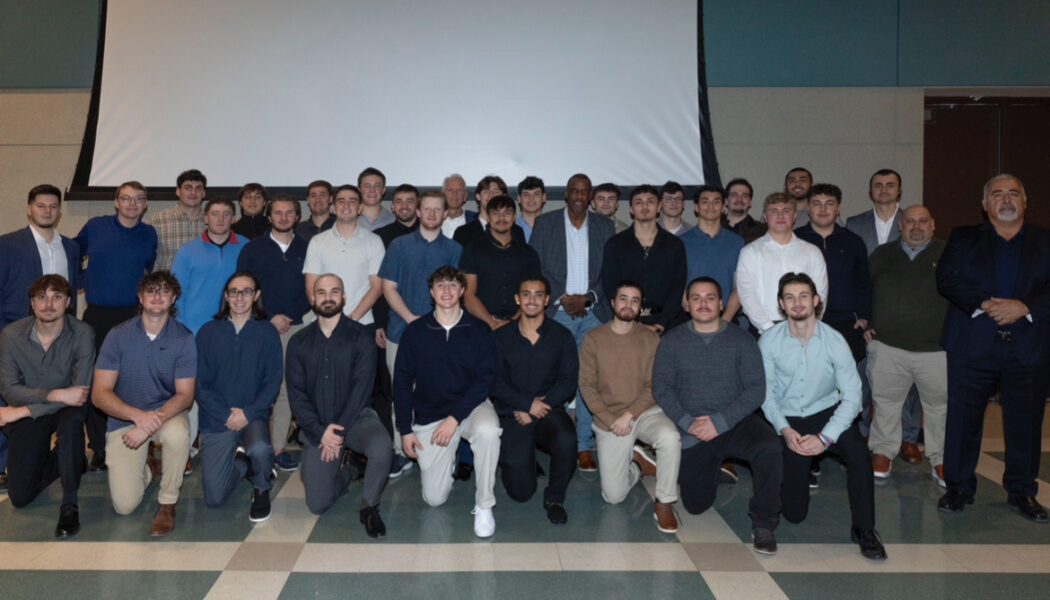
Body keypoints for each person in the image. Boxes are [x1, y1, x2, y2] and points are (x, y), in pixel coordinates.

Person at [936, 174, 1050, 523]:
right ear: (984, 205)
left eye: (1013, 193)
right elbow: (947, 279)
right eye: (997, 194)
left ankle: (1022, 491)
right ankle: (957, 487)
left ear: (1025, 202)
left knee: (1026, 422)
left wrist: (1024, 307)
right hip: (973, 345)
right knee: (962, 419)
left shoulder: (1045, 242)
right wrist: (986, 304)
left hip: (1027, 347)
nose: (1006, 199)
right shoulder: (963, 237)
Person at [759, 272, 886, 560]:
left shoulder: (835, 340)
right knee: (794, 514)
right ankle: (794, 482)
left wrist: (825, 438)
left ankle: (865, 530)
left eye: (804, 296)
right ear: (782, 304)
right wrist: (785, 430)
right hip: (789, 417)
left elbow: (853, 397)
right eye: (790, 297)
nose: (798, 303)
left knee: (858, 454)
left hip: (827, 413)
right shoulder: (768, 342)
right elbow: (765, 395)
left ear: (816, 300)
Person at [653, 277, 781, 554]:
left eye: (710, 297)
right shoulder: (672, 341)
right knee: (696, 505)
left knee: (770, 447)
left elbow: (756, 388)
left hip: (734, 421)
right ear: (687, 304)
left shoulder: (741, 339)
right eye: (696, 297)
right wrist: (688, 422)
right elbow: (661, 388)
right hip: (694, 428)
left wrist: (720, 422)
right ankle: (715, 465)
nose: (703, 303)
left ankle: (764, 524)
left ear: (722, 303)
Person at [393, 267, 500, 538]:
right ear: (432, 293)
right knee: (434, 499)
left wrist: (454, 419)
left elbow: (485, 380)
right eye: (440, 286)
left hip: (471, 408)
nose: (447, 291)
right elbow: (402, 383)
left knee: (489, 431)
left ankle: (484, 504)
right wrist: (405, 429)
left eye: (453, 285)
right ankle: (447, 461)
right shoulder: (416, 331)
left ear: (462, 291)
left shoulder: (479, 330)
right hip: (431, 414)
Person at [91, 271, 196, 537]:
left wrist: (148, 425)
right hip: (126, 419)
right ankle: (150, 467)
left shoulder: (184, 339)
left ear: (173, 298)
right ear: (140, 297)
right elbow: (99, 394)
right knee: (125, 506)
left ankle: (167, 503)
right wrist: (137, 418)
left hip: (166, 413)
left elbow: (185, 396)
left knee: (178, 434)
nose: (157, 296)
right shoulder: (118, 335)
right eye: (151, 290)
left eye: (164, 291)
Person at [287, 274, 392, 537]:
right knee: (317, 504)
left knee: (382, 446)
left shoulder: (360, 337)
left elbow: (361, 390)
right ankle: (353, 468)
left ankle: (370, 507)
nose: (328, 297)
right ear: (313, 299)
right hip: (317, 427)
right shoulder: (298, 342)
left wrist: (338, 430)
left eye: (335, 292)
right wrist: (321, 430)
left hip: (357, 419)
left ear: (343, 298)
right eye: (321, 292)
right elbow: (297, 396)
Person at [579, 281, 681, 533]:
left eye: (635, 300)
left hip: (645, 412)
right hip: (609, 419)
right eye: (623, 298)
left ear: (639, 307)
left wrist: (628, 415)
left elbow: (653, 386)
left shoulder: (650, 338)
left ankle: (665, 502)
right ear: (612, 303)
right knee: (613, 497)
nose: (629, 304)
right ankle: (638, 465)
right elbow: (587, 386)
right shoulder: (593, 338)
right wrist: (610, 417)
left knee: (670, 437)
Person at [530, 173, 615, 471]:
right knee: (554, 377)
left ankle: (583, 445)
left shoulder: (606, 226)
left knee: (589, 378)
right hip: (557, 312)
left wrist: (588, 297)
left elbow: (610, 273)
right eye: (574, 191)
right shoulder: (546, 223)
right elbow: (536, 266)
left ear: (590, 196)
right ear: (565, 194)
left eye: (585, 191)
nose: (579, 196)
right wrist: (564, 297)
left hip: (593, 314)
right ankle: (553, 440)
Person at [0, 183, 82, 489]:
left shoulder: (71, 247)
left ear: (60, 211)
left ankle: (60, 458)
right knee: (11, 398)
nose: (47, 211)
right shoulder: (7, 245)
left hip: (58, 340)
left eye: (53, 206)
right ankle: (4, 465)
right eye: (41, 206)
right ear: (28, 208)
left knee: (56, 398)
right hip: (16, 338)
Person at [0, 275, 94, 537]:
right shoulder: (11, 336)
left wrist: (24, 410)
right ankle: (71, 459)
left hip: (62, 411)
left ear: (68, 303)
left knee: (72, 423)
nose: (48, 304)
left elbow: (79, 394)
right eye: (41, 297)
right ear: (32, 303)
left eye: (56, 297)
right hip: (37, 408)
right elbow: (9, 389)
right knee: (20, 496)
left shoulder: (83, 333)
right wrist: (54, 395)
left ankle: (69, 504)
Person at [379, 191, 463, 477]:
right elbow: (388, 287)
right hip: (401, 332)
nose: (431, 214)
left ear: (444, 213)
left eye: (437, 210)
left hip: (442, 337)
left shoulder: (454, 249)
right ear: (417, 212)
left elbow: (455, 295)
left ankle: (442, 452)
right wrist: (412, 319)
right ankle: (400, 451)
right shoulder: (399, 246)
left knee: (439, 394)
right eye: (426, 209)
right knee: (400, 395)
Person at [75, 181, 158, 471]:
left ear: (145, 204)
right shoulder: (95, 227)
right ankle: (99, 448)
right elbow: (75, 254)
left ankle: (131, 440)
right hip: (97, 316)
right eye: (126, 198)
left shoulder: (149, 234)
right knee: (99, 383)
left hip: (132, 317)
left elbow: (148, 266)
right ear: (116, 202)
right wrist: (84, 283)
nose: (132, 204)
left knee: (131, 381)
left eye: (138, 199)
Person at [866, 206, 948, 484]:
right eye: (910, 221)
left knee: (941, 407)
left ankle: (941, 458)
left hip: (936, 350)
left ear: (933, 224)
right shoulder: (882, 255)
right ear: (900, 225)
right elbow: (864, 291)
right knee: (885, 403)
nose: (916, 226)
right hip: (889, 346)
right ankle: (883, 451)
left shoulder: (949, 254)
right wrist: (865, 324)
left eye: (922, 221)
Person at [491, 275, 578, 524]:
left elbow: (568, 381)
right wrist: (526, 404)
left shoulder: (562, 336)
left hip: (549, 410)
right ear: (517, 299)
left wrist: (538, 406)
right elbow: (494, 381)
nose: (532, 299)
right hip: (513, 413)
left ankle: (555, 498)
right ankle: (523, 456)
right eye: (526, 294)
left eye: (538, 294)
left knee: (566, 438)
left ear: (547, 300)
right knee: (521, 494)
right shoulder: (500, 337)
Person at [195, 272, 282, 521]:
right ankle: (243, 464)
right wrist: (226, 414)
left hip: (252, 414)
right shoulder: (208, 332)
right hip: (217, 418)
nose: (240, 297)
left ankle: (262, 488)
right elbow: (200, 383)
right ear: (226, 296)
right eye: (234, 291)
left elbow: (272, 381)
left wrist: (248, 413)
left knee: (262, 447)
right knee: (214, 499)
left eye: (246, 291)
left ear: (256, 295)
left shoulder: (267, 333)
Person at [845, 169, 920, 456]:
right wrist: (859, 316)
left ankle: (909, 437)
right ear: (870, 190)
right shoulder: (854, 223)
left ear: (899, 190)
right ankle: (863, 433)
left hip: (901, 315)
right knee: (861, 377)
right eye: (878, 185)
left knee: (907, 381)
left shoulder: (911, 221)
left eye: (890, 185)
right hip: (864, 313)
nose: (884, 189)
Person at [237, 194, 311, 472]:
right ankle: (245, 446)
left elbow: (312, 288)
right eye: (277, 213)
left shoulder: (307, 247)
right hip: (257, 326)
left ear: (297, 216)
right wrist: (268, 316)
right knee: (253, 385)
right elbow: (243, 289)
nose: (283, 217)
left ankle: (278, 447)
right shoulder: (252, 249)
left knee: (285, 388)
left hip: (295, 326)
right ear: (269, 218)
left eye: (288, 212)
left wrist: (288, 317)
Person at [736, 192, 827, 334]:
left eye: (786, 211)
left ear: (795, 216)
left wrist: (810, 325)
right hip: (764, 328)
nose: (780, 216)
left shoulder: (812, 252)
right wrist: (768, 328)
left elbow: (820, 292)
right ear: (765, 217)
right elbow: (747, 294)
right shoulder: (750, 252)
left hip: (805, 326)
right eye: (774, 211)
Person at [601, 184, 687, 334]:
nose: (644, 206)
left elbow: (677, 288)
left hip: (666, 324)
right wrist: (632, 323)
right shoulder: (615, 244)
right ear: (631, 210)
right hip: (626, 322)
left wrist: (661, 323)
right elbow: (610, 286)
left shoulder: (674, 245)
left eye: (650, 201)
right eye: (638, 202)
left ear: (659, 207)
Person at [303, 185, 385, 325]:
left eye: (352, 201)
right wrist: (327, 318)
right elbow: (311, 286)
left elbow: (377, 288)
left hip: (361, 323)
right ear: (334, 208)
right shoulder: (317, 242)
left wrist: (352, 319)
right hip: (324, 323)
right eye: (341, 201)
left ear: (360, 208)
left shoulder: (374, 241)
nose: (346, 205)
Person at [461, 195, 542, 330]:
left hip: (520, 326)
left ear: (514, 217)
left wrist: (513, 323)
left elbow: (535, 294)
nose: (502, 218)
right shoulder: (473, 250)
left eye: (507, 213)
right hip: (481, 326)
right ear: (487, 217)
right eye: (496, 213)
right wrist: (492, 324)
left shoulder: (528, 253)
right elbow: (468, 295)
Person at [172, 198, 246, 335]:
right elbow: (177, 294)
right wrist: (180, 329)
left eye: (226, 214)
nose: (221, 219)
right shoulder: (187, 251)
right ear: (206, 219)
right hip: (195, 329)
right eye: (215, 214)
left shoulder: (247, 247)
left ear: (234, 219)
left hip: (236, 327)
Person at [679, 185, 745, 323]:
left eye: (716, 202)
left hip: (726, 318)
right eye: (705, 201)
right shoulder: (680, 242)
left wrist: (725, 320)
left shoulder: (736, 242)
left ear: (723, 207)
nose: (711, 206)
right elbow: (677, 285)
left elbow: (739, 287)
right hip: (689, 319)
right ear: (696, 207)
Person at [149, 169, 206, 272]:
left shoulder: (213, 222)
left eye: (198, 188)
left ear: (203, 193)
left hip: (202, 286)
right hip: (167, 286)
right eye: (188, 188)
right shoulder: (157, 220)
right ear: (178, 191)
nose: (193, 192)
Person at [453, 175, 524, 247]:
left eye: (496, 191)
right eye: (486, 191)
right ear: (478, 196)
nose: (491, 195)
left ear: (504, 196)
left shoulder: (516, 231)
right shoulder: (463, 232)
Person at [722, 177, 767, 244]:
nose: (739, 199)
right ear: (726, 201)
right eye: (734, 195)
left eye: (744, 196)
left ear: (750, 203)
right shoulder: (714, 227)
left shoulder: (763, 232)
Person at [357, 167, 395, 231]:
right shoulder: (348, 220)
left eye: (377, 186)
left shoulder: (394, 221)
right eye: (367, 186)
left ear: (383, 190)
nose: (372, 190)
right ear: (359, 190)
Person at [440, 173, 476, 239]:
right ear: (442, 195)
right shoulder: (432, 219)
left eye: (459, 190)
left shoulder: (475, 219)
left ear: (465, 196)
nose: (455, 194)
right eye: (450, 190)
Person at [515, 176, 547, 242]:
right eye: (526, 194)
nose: (531, 198)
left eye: (536, 194)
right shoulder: (510, 228)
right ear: (519, 199)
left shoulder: (554, 228)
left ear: (544, 197)